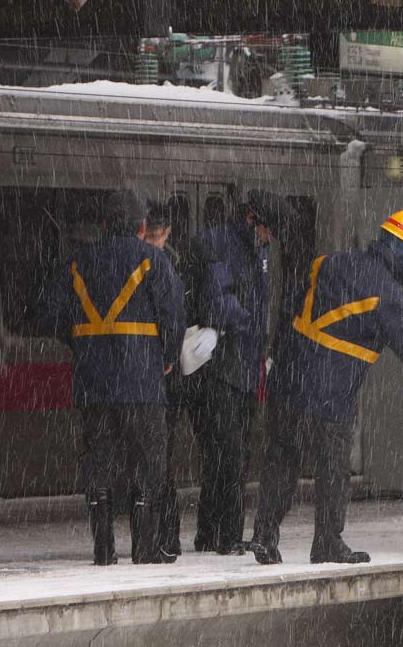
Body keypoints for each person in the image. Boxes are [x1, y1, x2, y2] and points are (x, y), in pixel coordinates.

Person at [249, 210, 403, 565]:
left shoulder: (328, 262)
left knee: (281, 458)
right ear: (400, 249)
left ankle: (264, 534)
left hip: (288, 378)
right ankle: (327, 542)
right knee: (333, 467)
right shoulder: (388, 296)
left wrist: (277, 354)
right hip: (330, 390)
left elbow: (289, 304)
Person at [47, 190, 185, 565]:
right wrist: (168, 356)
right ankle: (145, 546)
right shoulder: (154, 261)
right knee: (147, 463)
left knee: (99, 462)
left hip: (93, 384)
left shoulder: (76, 264)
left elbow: (57, 319)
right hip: (142, 383)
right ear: (142, 227)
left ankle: (103, 546)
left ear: (104, 224)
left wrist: (87, 349)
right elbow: (173, 317)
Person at [188, 189, 293, 555]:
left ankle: (211, 533)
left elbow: (257, 300)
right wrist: (246, 326)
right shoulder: (219, 244)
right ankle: (226, 535)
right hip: (221, 367)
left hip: (246, 365)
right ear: (252, 219)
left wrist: (262, 349)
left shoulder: (256, 250)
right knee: (227, 455)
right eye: (267, 232)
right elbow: (219, 299)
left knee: (235, 454)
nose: (269, 241)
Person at [143, 200, 188, 559]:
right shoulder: (168, 263)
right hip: (158, 377)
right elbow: (174, 317)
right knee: (158, 459)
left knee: (153, 459)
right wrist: (170, 357)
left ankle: (162, 534)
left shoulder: (160, 261)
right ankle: (163, 536)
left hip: (150, 377)